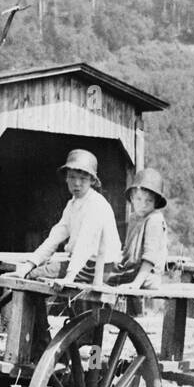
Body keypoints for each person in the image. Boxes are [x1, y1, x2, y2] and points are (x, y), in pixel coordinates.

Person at [13, 149, 122, 349]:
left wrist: (69, 277)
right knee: (30, 275)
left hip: (99, 266)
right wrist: (28, 263)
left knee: (34, 278)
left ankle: (43, 346)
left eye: (82, 178)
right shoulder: (73, 204)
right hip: (82, 262)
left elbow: (85, 245)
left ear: (92, 180)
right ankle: (47, 342)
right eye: (72, 177)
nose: (77, 183)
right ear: (66, 179)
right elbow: (55, 237)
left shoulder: (96, 205)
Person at [113, 168, 168, 290]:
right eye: (139, 199)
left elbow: (150, 256)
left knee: (102, 277)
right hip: (132, 270)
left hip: (148, 276)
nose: (143, 205)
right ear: (132, 198)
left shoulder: (154, 219)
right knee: (99, 270)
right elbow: (128, 249)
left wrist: (135, 284)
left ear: (156, 202)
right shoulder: (134, 218)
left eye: (149, 201)